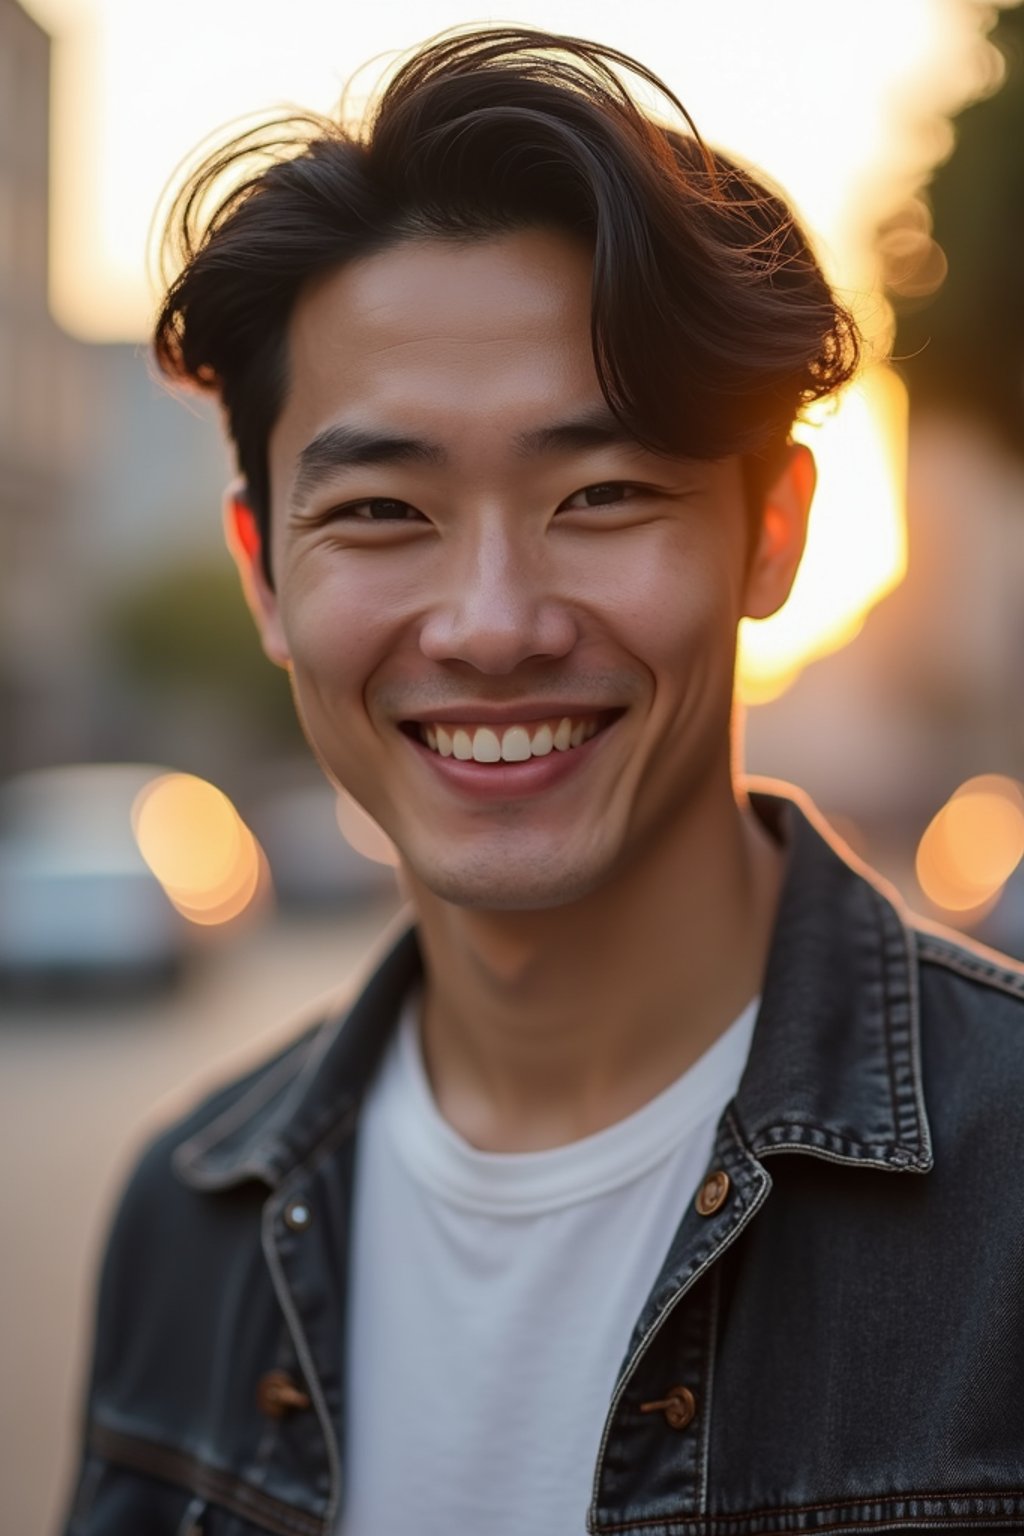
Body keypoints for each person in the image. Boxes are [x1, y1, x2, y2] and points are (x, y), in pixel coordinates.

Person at [63, 26, 1024, 1536]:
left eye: (603, 496)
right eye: (383, 510)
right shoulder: (187, 1225)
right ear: (265, 573)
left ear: (771, 532)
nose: (495, 623)